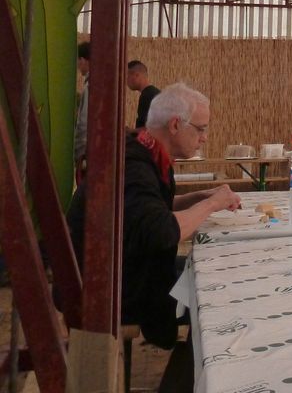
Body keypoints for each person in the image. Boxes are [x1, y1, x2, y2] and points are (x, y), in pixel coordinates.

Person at [67, 84, 242, 353]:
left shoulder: (144, 149)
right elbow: (162, 231)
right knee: (222, 293)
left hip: (122, 268)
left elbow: (151, 210)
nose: (204, 137)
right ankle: (201, 365)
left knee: (215, 269)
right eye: (201, 129)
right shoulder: (134, 164)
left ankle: (191, 362)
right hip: (112, 290)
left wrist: (200, 197)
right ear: (175, 125)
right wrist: (211, 204)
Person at [127, 59, 161, 129]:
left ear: (136, 75)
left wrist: (129, 131)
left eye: (127, 77)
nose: (126, 81)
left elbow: (148, 129)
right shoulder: (156, 93)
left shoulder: (146, 96)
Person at [73, 41, 90, 182]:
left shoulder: (90, 86)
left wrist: (79, 150)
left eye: (78, 62)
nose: (78, 66)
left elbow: (84, 121)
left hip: (86, 151)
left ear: (83, 60)